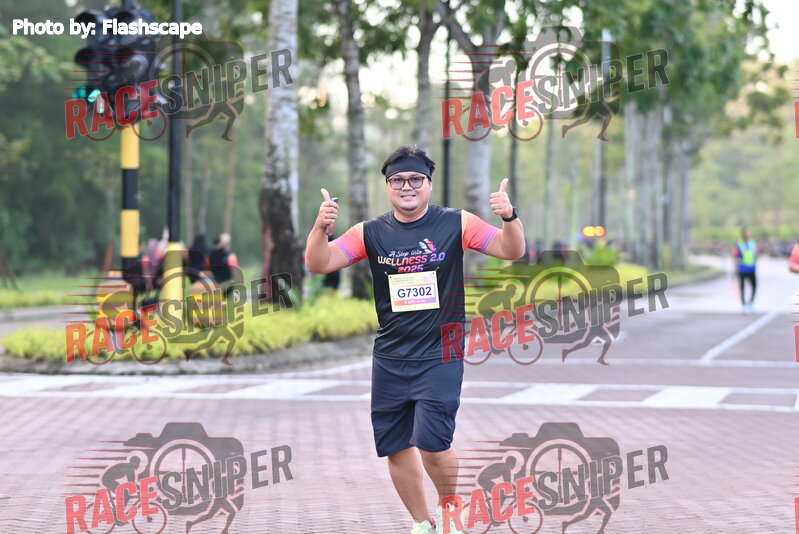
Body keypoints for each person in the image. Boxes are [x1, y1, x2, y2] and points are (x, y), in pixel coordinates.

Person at [305, 145, 525, 534]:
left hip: (441, 352)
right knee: (395, 446)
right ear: (388, 186)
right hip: (390, 355)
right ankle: (423, 523)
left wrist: (509, 216)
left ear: (429, 184)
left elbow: (512, 249)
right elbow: (318, 263)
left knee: (432, 442)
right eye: (398, 180)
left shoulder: (457, 223)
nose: (407, 186)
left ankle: (450, 505)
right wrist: (320, 227)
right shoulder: (370, 232)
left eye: (415, 179)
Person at [732, 227, 758, 314]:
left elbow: (756, 255)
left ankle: (751, 303)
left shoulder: (753, 244)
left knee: (754, 286)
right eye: (746, 233)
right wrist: (735, 268)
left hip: (751, 268)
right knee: (742, 287)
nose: (748, 234)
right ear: (743, 234)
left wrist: (756, 264)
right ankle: (743, 305)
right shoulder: (738, 244)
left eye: (749, 233)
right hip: (742, 268)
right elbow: (735, 256)